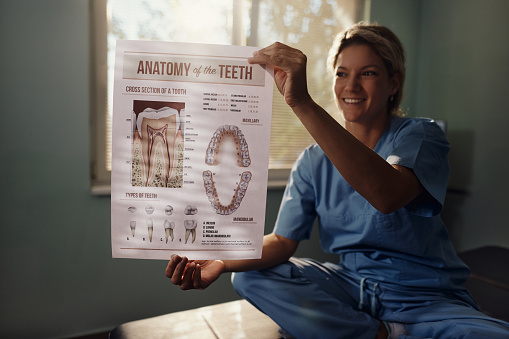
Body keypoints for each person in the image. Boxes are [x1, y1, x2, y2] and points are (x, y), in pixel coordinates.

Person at [165, 22, 509, 338]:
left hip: (424, 295)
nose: (351, 86)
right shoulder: (313, 160)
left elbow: (385, 194)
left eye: (368, 73)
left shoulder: (421, 136)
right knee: (250, 276)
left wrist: (300, 103)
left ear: (394, 83)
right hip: (350, 286)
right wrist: (223, 261)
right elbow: (283, 242)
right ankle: (377, 333)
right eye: (342, 73)